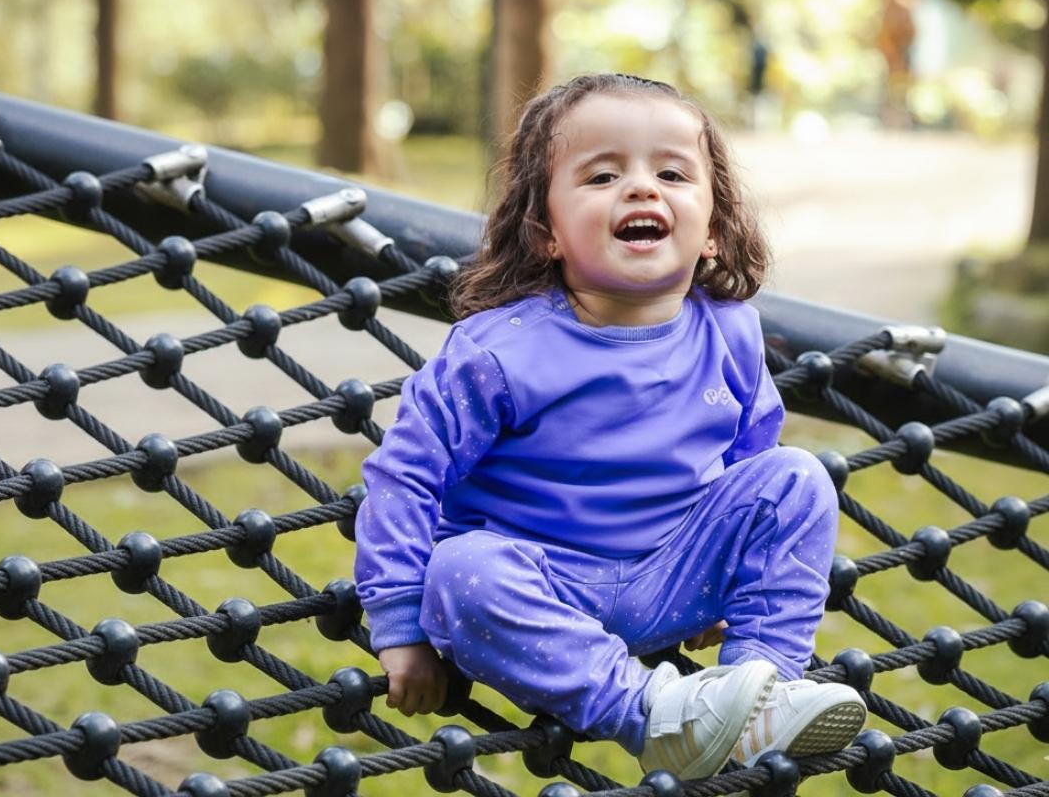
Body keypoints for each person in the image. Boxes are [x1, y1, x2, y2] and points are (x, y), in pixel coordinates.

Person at [354, 73, 866, 778]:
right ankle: (656, 717)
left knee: (799, 480)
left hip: (671, 577)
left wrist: (734, 576)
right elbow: (405, 475)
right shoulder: (499, 352)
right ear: (546, 232)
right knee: (462, 570)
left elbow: (750, 461)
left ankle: (757, 692)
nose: (642, 189)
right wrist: (400, 624)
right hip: (539, 591)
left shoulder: (732, 335)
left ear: (713, 229)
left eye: (671, 172)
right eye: (601, 175)